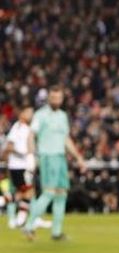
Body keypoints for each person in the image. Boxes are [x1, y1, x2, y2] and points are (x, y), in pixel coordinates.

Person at [23, 86, 86, 240]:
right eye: (53, 98)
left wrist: (78, 158)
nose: (56, 101)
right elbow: (31, 136)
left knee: (61, 194)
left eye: (58, 98)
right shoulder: (41, 115)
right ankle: (29, 226)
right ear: (49, 98)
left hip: (60, 157)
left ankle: (56, 232)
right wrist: (31, 156)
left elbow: (66, 139)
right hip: (47, 156)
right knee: (49, 192)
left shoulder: (63, 116)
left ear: (62, 99)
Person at [2, 107, 35, 229]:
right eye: (28, 112)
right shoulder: (18, 127)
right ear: (22, 113)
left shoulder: (26, 128)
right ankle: (20, 221)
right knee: (25, 192)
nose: (31, 115)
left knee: (22, 193)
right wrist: (23, 153)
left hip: (21, 165)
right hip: (18, 166)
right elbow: (9, 146)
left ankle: (21, 221)